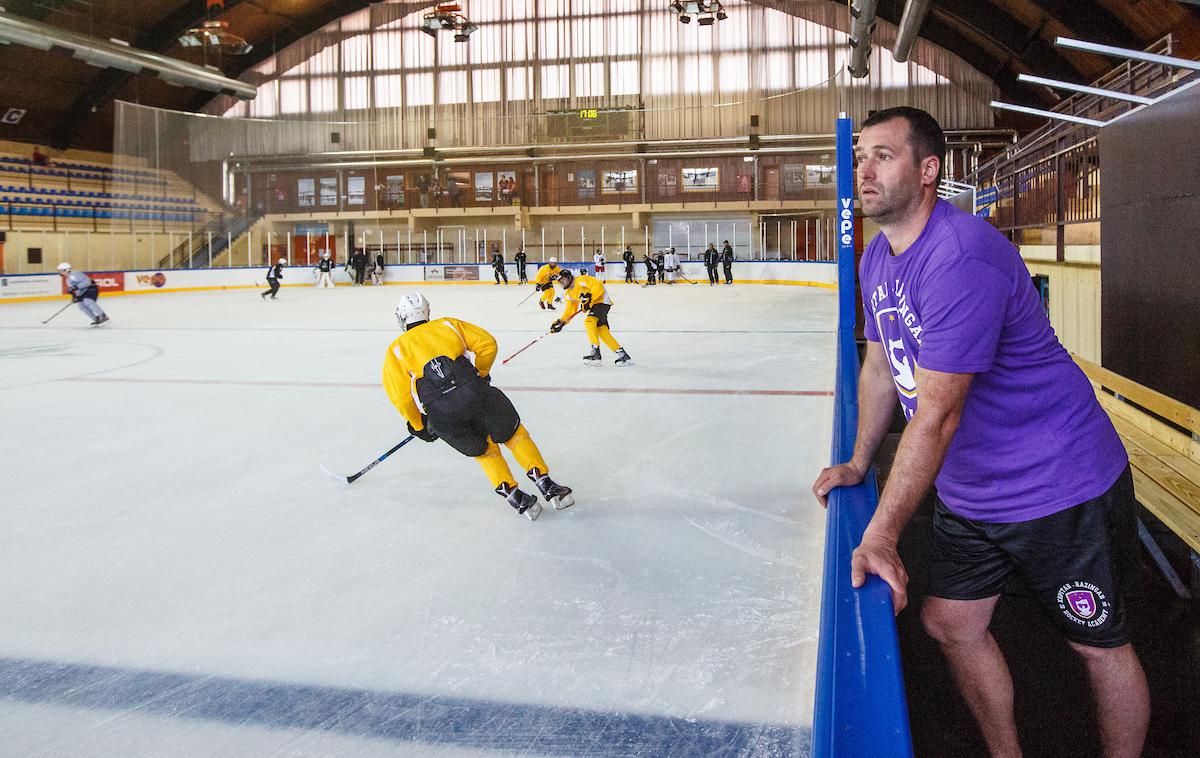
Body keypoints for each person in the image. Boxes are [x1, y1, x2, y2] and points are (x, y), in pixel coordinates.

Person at [810, 106, 1148, 758]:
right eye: (860, 158)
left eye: (883, 155)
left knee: (1097, 643)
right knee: (950, 622)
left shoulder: (961, 256)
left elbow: (936, 414)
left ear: (929, 169)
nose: (864, 171)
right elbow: (880, 365)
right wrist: (857, 463)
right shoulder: (878, 257)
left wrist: (880, 531)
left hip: (1059, 487)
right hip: (972, 493)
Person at [382, 293, 574, 520]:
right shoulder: (447, 325)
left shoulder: (396, 349)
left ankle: (516, 498)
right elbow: (487, 344)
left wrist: (419, 425)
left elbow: (401, 398)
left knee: (485, 451)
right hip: (476, 393)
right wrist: (480, 374)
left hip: (443, 413)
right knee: (515, 436)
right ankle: (545, 483)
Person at [550, 268, 631, 366]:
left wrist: (590, 298)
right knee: (601, 330)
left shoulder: (580, 280)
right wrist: (561, 321)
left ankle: (595, 352)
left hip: (602, 301)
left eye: (563, 280)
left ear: (569, 277)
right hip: (594, 306)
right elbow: (570, 310)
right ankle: (622, 354)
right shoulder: (568, 294)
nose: (561, 282)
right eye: (560, 281)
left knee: (589, 322)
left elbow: (598, 285)